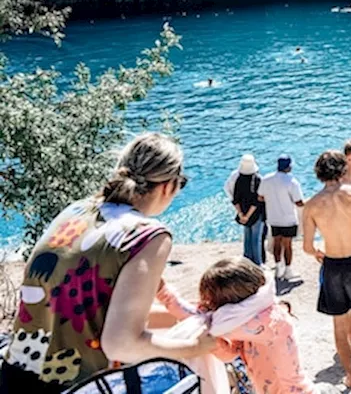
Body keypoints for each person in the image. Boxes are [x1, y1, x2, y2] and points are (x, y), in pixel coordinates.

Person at [1, 133, 211, 394]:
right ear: (168, 186)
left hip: (15, 377)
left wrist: (184, 312)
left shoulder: (77, 211)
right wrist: (197, 347)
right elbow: (121, 344)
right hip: (79, 385)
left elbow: (89, 310)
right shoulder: (148, 235)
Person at [166, 258, 340, 394]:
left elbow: (204, 322)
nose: (209, 305)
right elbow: (231, 353)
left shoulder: (269, 321)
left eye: (214, 301)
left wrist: (165, 295)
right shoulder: (246, 323)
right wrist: (214, 343)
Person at [301, 149, 351, 388]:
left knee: (338, 323)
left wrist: (318, 253)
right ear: (342, 169)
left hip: (333, 265)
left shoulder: (312, 205)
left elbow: (306, 246)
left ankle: (349, 375)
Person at [259, 155, 305, 281]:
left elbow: (260, 197)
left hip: (273, 217)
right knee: (288, 245)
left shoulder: (267, 179)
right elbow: (299, 202)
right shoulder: (291, 181)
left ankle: (278, 267)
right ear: (289, 166)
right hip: (288, 218)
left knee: (277, 242)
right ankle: (288, 270)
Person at [227, 153, 266, 266]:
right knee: (256, 240)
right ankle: (258, 264)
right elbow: (256, 201)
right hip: (256, 214)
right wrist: (248, 215)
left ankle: (246, 263)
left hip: (243, 212)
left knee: (247, 239)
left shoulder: (239, 179)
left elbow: (235, 199)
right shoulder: (258, 179)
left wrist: (241, 214)